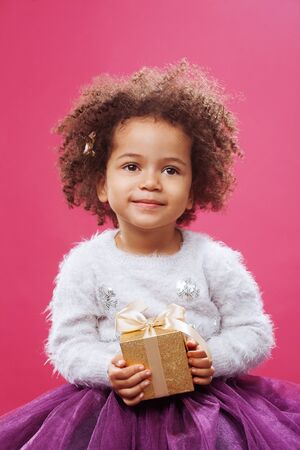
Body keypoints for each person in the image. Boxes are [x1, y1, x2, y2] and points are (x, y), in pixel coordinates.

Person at [0, 59, 299, 449]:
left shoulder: (214, 260)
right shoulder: (85, 265)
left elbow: (254, 330)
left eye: (171, 170)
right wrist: (110, 369)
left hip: (208, 414)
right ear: (102, 185)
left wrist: (211, 356)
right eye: (131, 166)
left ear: (193, 190)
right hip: (113, 412)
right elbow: (68, 344)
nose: (151, 182)